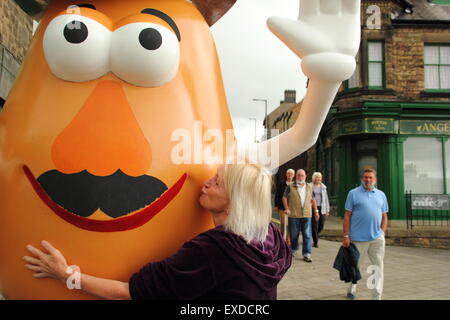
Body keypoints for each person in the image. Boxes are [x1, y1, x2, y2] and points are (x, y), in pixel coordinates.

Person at [23, 163, 292, 300]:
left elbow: (132, 292)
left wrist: (66, 274)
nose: (206, 183)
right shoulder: (271, 237)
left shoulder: (214, 251)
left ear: (234, 204)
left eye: (217, 184)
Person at [342, 169, 388, 300]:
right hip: (357, 238)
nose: (368, 180)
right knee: (355, 266)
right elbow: (347, 215)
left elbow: (384, 216)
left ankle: (376, 296)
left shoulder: (381, 195)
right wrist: (345, 235)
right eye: (365, 177)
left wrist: (382, 233)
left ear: (375, 179)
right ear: (362, 179)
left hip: (377, 239)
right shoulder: (353, 194)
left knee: (377, 267)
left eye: (370, 177)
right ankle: (351, 289)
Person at [282, 169, 319, 263]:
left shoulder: (309, 187)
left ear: (306, 176)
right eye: (299, 175)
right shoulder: (290, 186)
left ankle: (307, 254)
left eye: (302, 176)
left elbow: (313, 199)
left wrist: (316, 211)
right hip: (294, 214)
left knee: (307, 234)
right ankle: (294, 249)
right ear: (296, 176)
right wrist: (286, 208)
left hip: (307, 214)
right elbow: (284, 197)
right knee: (294, 234)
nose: (300, 177)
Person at [274, 168, 295, 244]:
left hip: (292, 207)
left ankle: (288, 240)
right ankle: (281, 238)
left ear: (294, 175)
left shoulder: (295, 184)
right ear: (286, 175)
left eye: (291, 174)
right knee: (283, 223)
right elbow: (277, 194)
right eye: (288, 174)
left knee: (290, 224)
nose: (290, 175)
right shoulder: (282, 183)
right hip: (282, 206)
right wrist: (276, 205)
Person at [310, 172, 330, 248]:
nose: (318, 179)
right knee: (315, 224)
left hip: (322, 207)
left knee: (321, 224)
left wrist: (327, 210)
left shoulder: (323, 187)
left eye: (319, 178)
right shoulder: (310, 186)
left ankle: (314, 234)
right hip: (312, 207)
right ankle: (315, 242)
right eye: (317, 177)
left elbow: (326, 199)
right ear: (314, 178)